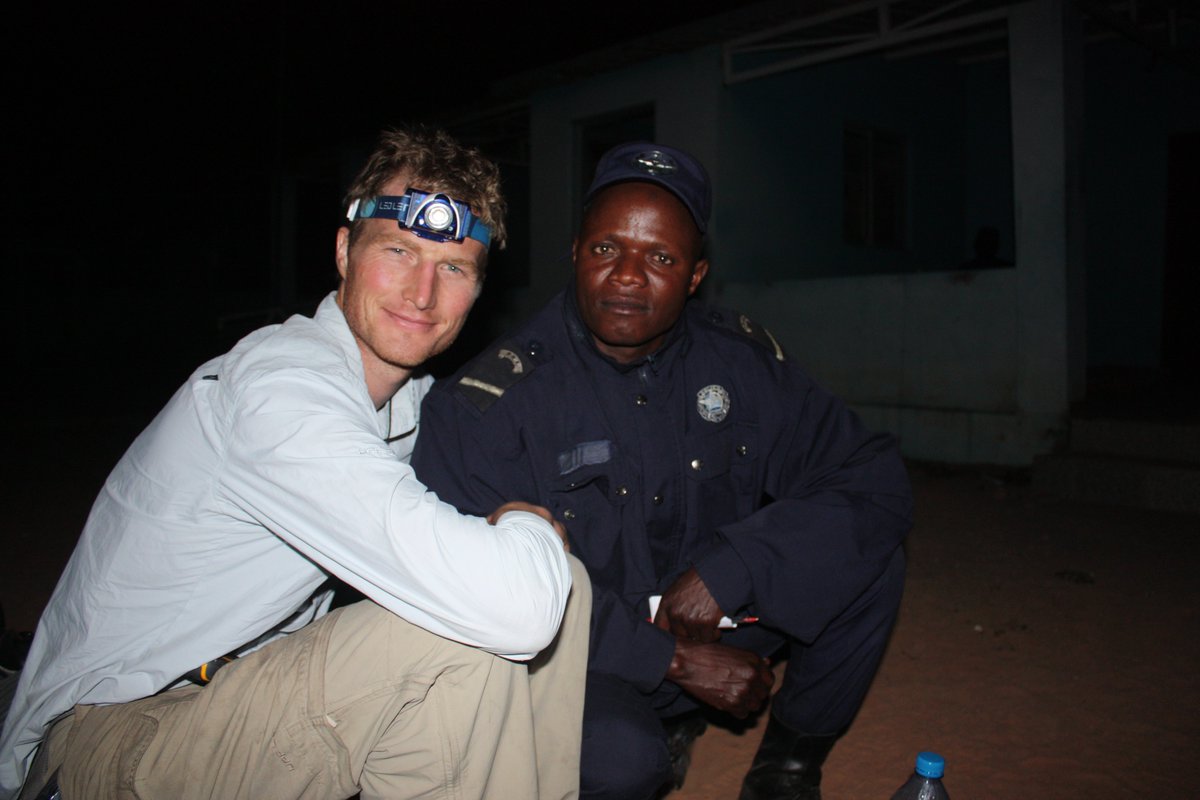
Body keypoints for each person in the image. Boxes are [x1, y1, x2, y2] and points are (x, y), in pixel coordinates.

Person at [0, 127, 591, 800]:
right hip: (108, 742)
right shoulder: (280, 387)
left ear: (476, 293)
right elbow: (511, 604)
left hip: (226, 703)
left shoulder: (413, 409)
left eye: (452, 268)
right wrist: (529, 525)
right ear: (344, 251)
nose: (421, 293)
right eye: (398, 251)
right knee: (464, 631)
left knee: (559, 586)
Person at [412, 142, 911, 800]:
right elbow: (481, 597)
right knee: (620, 765)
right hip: (585, 652)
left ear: (696, 274)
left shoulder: (741, 362)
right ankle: (655, 731)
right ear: (575, 251)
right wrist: (669, 663)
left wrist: (736, 569)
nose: (625, 276)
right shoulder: (488, 407)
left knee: (865, 554)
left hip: (712, 615)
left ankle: (785, 769)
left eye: (661, 258)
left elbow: (872, 474)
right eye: (605, 249)